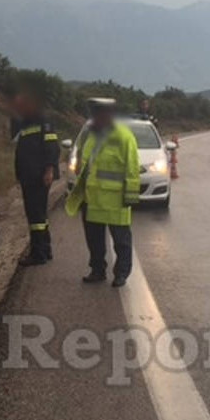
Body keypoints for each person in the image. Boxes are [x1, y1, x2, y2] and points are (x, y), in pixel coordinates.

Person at [65, 98, 140, 287]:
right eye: (94, 114)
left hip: (116, 200)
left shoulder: (124, 136)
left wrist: (130, 197)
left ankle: (121, 274)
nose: (95, 118)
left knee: (121, 240)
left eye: (99, 114)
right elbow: (84, 163)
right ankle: (97, 270)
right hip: (92, 199)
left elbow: (132, 168)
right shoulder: (90, 135)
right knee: (94, 240)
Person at [11, 89, 60, 266]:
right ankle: (45, 249)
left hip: (39, 176)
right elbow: (18, 146)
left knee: (36, 217)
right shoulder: (24, 123)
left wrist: (49, 170)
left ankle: (38, 254)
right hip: (28, 175)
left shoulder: (43, 120)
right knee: (39, 215)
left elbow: (52, 147)